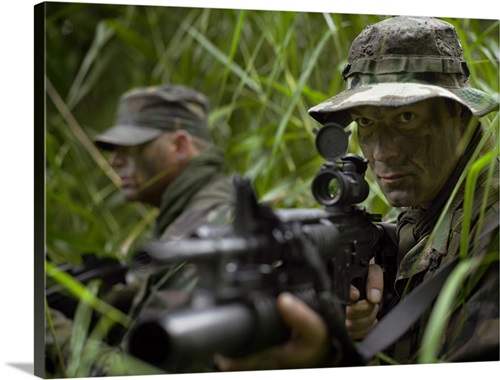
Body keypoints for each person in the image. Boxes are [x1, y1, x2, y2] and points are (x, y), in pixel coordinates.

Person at [214, 15, 499, 371]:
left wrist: (330, 359)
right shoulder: (427, 209)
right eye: (366, 122)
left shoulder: (491, 223)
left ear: (460, 114)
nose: (382, 152)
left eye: (407, 118)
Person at [45, 84, 235, 377]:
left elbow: (132, 373)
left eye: (132, 147)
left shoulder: (199, 237)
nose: (115, 160)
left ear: (180, 147)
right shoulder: (203, 209)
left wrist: (43, 326)